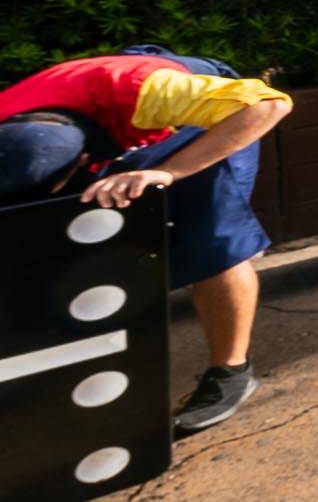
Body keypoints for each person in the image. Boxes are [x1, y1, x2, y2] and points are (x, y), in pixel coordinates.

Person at [0, 46, 293, 432]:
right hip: (97, 120)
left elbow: (267, 105)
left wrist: (169, 173)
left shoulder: (145, 91)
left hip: (212, 113)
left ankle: (231, 371)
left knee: (210, 226)